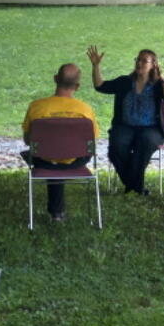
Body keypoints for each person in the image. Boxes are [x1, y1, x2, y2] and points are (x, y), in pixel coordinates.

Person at [86, 45, 164, 195]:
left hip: (151, 128)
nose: (139, 63)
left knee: (146, 142)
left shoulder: (158, 84)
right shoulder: (125, 81)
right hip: (125, 126)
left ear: (153, 64)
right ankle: (136, 185)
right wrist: (96, 66)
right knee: (116, 147)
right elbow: (100, 86)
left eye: (144, 61)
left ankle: (132, 185)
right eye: (138, 59)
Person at [21, 63, 100, 222]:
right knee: (60, 153)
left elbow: (28, 140)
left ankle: (56, 213)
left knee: (51, 154)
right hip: (77, 161)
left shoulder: (37, 107)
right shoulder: (85, 110)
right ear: (77, 86)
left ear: (55, 79)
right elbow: (92, 140)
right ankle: (57, 213)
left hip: (44, 161)